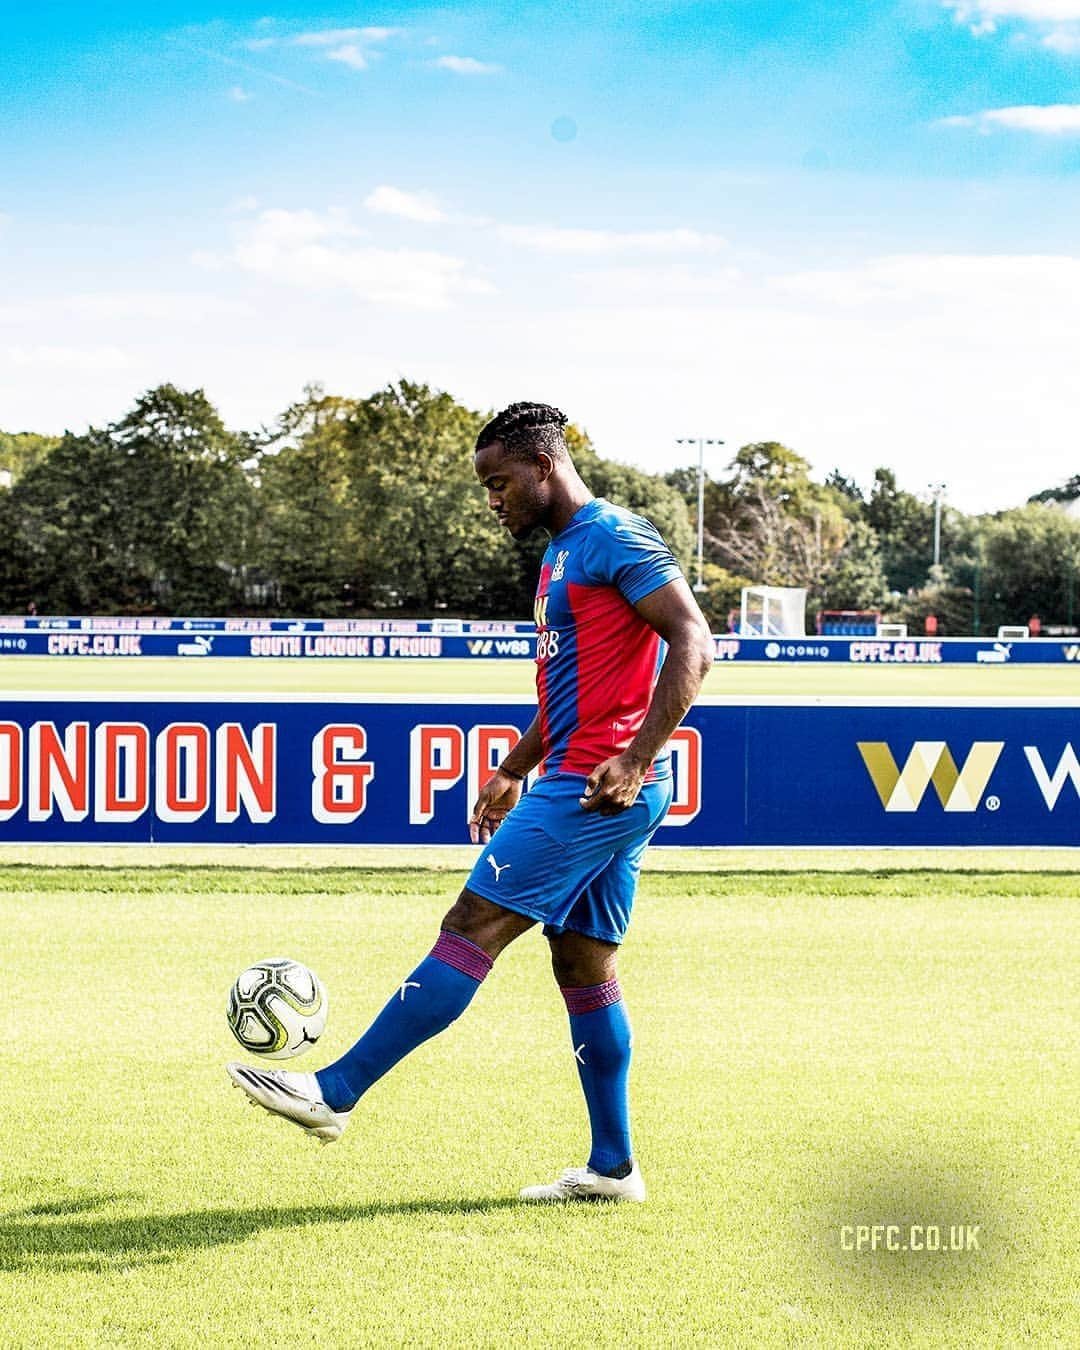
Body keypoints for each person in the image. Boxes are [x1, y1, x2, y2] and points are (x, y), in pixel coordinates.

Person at [228, 402, 714, 1202]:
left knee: (471, 925)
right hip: (587, 776)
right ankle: (612, 1168)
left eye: (499, 484)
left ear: (544, 466)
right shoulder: (562, 556)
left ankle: (334, 1093)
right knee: (583, 963)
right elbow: (570, 690)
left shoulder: (614, 538)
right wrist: (513, 765)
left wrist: (636, 754)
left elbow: (694, 640)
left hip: (596, 785)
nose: (492, 500)